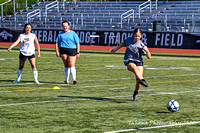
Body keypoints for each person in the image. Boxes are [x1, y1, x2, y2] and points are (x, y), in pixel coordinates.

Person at [110, 28, 151, 101]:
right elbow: (123, 43)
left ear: (141, 36)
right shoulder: (128, 40)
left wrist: (147, 51)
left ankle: (135, 94)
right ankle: (142, 79)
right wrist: (115, 49)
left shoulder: (141, 45)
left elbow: (149, 57)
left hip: (139, 61)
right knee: (135, 69)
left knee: (138, 82)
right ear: (133, 35)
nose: (136, 38)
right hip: (129, 60)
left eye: (138, 36)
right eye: (135, 36)